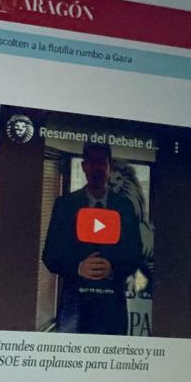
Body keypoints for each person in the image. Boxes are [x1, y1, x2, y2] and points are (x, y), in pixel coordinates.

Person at [41, 141, 143, 335]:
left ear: (109, 167)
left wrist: (113, 268)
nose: (97, 168)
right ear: (83, 166)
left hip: (112, 302)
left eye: (102, 163)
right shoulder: (64, 205)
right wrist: (78, 267)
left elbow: (135, 254)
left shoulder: (125, 207)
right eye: (92, 162)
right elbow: (50, 255)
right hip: (74, 301)